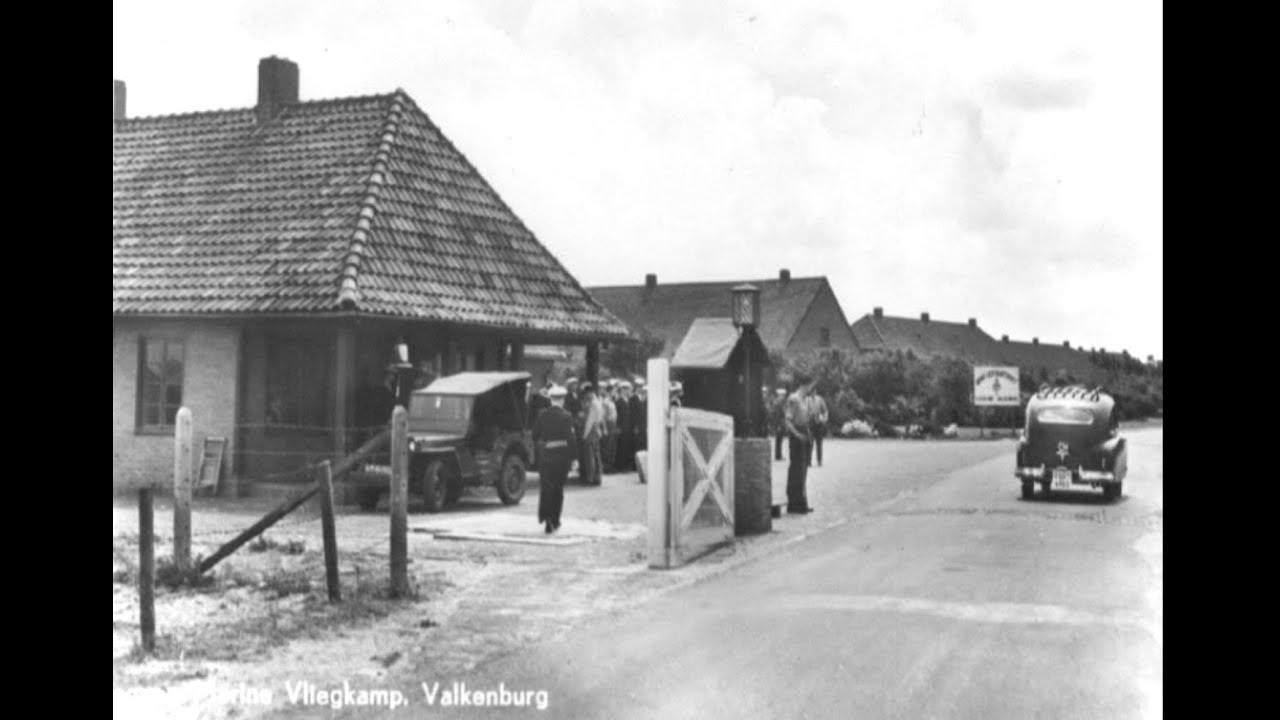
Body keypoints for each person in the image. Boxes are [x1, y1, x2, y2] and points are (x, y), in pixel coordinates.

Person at [532, 384, 578, 534]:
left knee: (546, 488)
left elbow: (535, 435)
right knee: (558, 489)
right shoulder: (567, 416)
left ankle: (545, 518)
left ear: (550, 399)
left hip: (546, 456)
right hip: (561, 457)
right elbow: (571, 438)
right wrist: (574, 458)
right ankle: (555, 519)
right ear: (562, 400)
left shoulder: (542, 415)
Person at [783, 373, 816, 514]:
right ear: (806, 385)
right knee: (796, 470)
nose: (812, 389)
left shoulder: (804, 400)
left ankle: (802, 502)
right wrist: (797, 435)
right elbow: (788, 421)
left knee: (803, 470)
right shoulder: (794, 399)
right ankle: (794, 503)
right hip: (797, 437)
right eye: (811, 386)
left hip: (805, 435)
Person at [579, 383, 605, 486]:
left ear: (589, 392)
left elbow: (590, 421)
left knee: (590, 456)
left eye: (586, 394)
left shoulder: (593, 404)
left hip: (591, 431)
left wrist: (585, 435)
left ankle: (590, 478)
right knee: (596, 454)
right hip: (596, 429)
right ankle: (597, 477)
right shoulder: (597, 401)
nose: (586, 396)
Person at [807, 389, 830, 467]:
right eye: (812, 391)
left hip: (818, 422)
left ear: (816, 392)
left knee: (819, 443)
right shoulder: (807, 400)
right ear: (810, 392)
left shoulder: (820, 399)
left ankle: (819, 460)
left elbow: (825, 410)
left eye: (814, 391)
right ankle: (808, 461)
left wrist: (825, 419)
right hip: (810, 422)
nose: (813, 393)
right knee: (810, 443)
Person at [615, 381, 633, 472]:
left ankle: (624, 465)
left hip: (627, 427)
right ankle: (620, 466)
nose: (629, 391)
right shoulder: (619, 401)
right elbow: (618, 415)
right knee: (621, 447)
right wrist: (618, 427)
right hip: (622, 427)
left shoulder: (627, 400)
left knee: (626, 446)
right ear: (624, 390)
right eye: (628, 389)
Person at [602, 381, 618, 473]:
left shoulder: (612, 401)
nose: (614, 393)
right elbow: (603, 417)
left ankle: (611, 465)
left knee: (613, 446)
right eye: (613, 391)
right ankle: (606, 467)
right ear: (609, 392)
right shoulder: (605, 402)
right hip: (608, 424)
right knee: (607, 446)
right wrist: (604, 428)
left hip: (613, 424)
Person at [770, 387, 788, 461]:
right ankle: (778, 456)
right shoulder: (778, 404)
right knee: (779, 440)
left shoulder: (778, 403)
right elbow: (777, 416)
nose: (783, 397)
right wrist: (778, 426)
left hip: (780, 424)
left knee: (779, 440)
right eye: (782, 395)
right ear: (779, 395)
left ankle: (778, 455)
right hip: (779, 424)